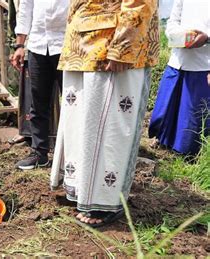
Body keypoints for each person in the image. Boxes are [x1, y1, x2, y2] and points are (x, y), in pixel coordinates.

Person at [50, 0, 159, 227]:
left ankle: (105, 201)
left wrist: (122, 46)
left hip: (111, 43)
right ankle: (84, 192)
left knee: (109, 127)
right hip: (80, 46)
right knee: (81, 126)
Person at [10, 0, 68, 170]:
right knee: (38, 101)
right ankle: (39, 153)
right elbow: (25, 9)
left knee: (73, 102)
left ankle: (74, 154)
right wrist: (20, 45)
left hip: (67, 45)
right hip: (38, 44)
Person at [149, 0, 210, 156]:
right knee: (163, 109)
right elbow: (172, 22)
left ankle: (186, 154)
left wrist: (207, 38)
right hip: (178, 60)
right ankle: (162, 140)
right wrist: (178, 36)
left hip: (204, 65)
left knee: (192, 119)